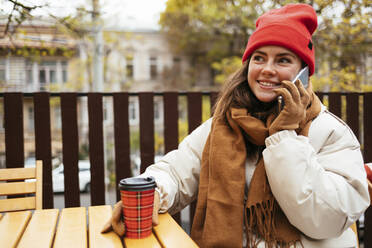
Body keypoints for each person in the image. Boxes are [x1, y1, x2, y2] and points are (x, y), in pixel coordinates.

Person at [102, 3, 370, 247]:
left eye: (283, 60)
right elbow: (176, 169)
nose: (267, 69)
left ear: (304, 72)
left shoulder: (331, 132)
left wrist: (285, 136)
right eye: (259, 58)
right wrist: (154, 192)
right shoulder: (226, 124)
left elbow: (324, 218)